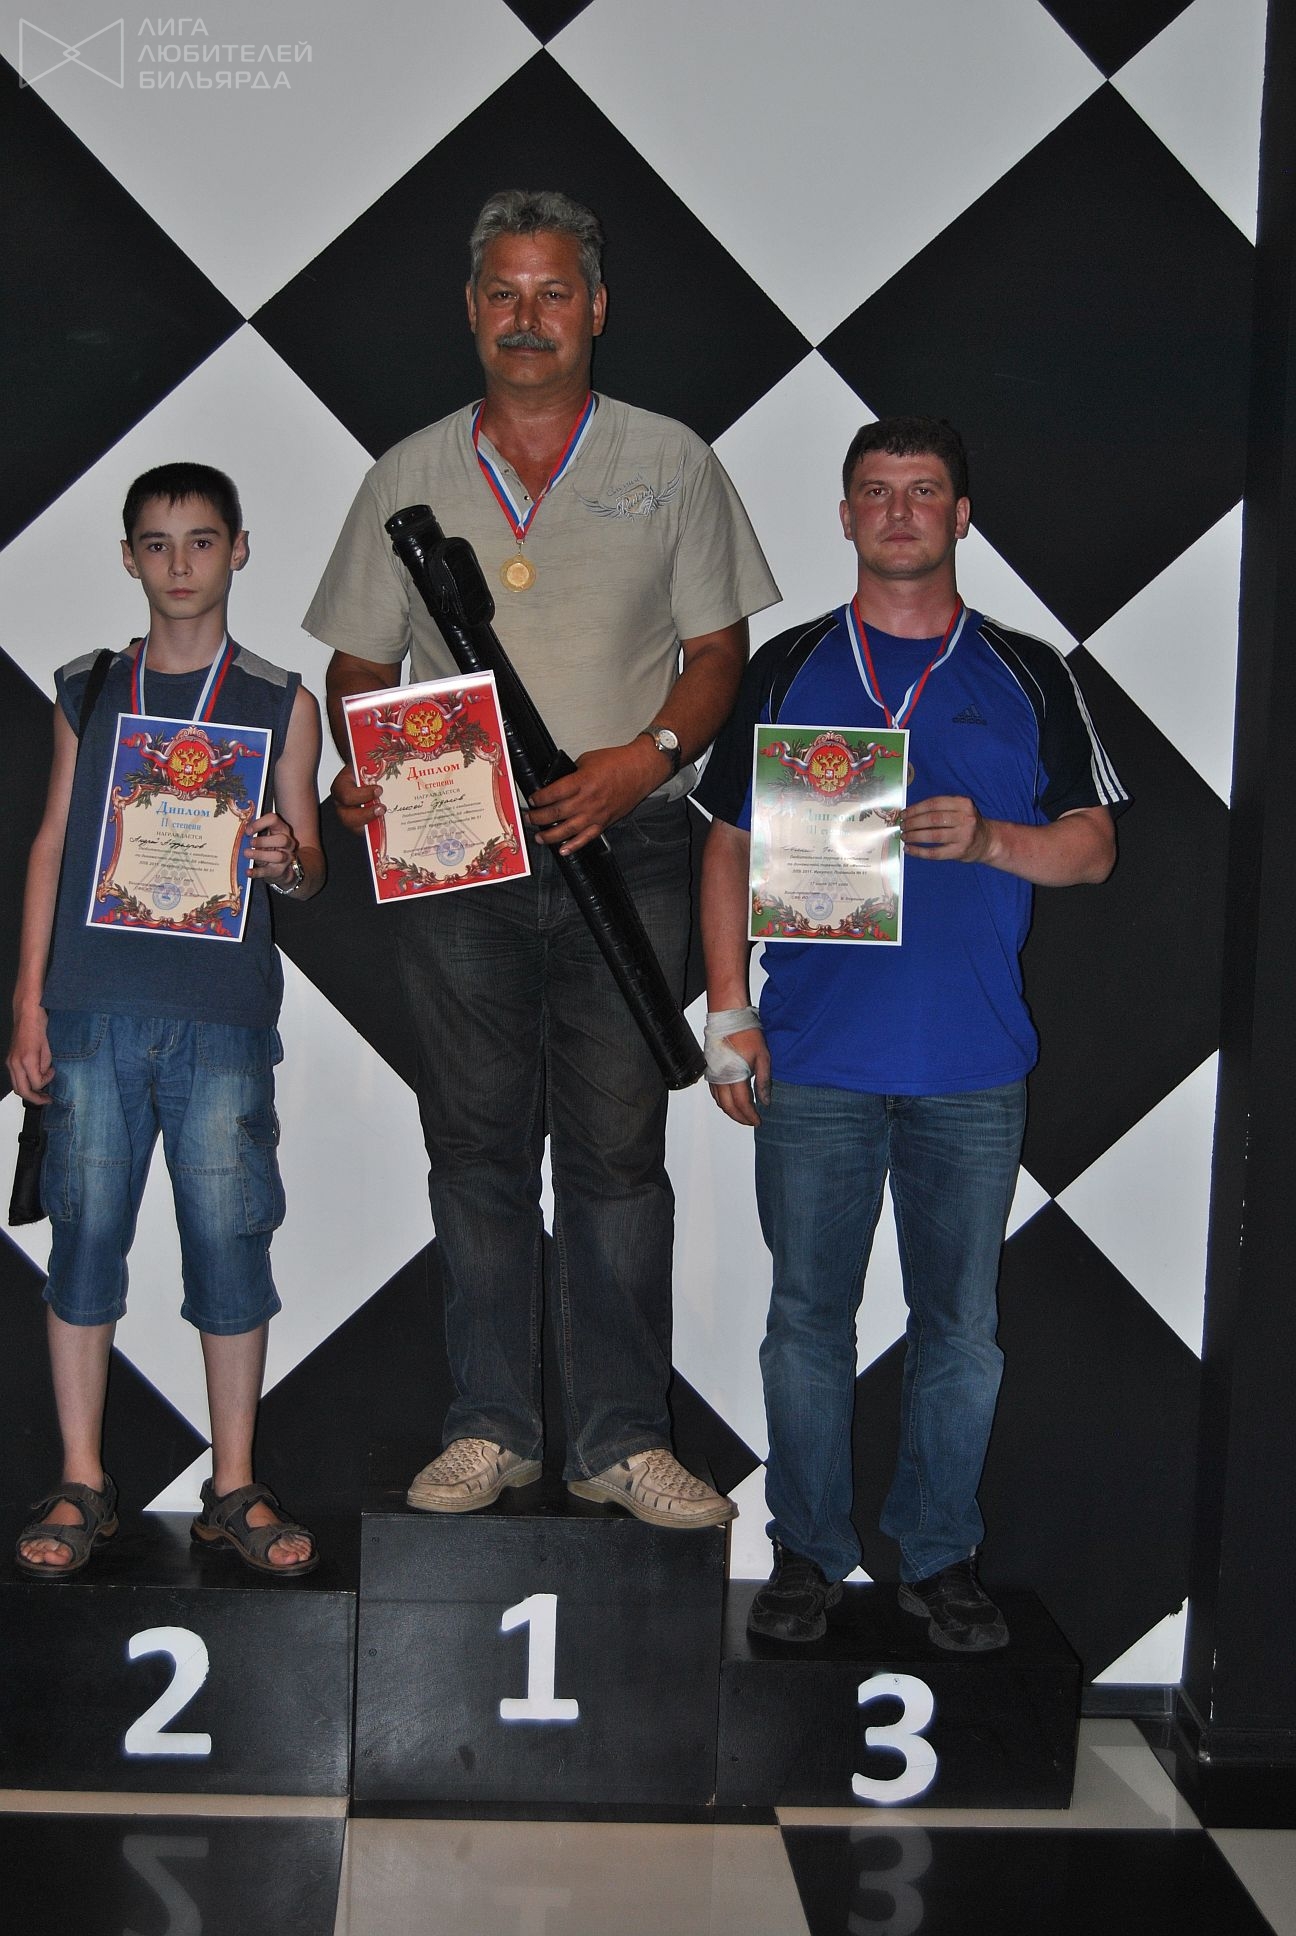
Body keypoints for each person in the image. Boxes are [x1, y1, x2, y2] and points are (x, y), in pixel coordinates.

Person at [305, 189, 778, 1527]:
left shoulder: (671, 459)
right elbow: (357, 662)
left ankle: (622, 1441)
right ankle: (491, 1430)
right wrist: (368, 761)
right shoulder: (405, 473)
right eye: (503, 293)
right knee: (475, 1149)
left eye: (552, 292)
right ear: (471, 310)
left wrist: (647, 757)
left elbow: (718, 653)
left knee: (620, 1158)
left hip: (631, 847)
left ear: (596, 308)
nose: (527, 317)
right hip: (458, 858)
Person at [699, 417, 1126, 1645]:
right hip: (814, 1058)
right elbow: (725, 845)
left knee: (962, 1334)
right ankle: (806, 1553)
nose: (898, 510)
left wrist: (991, 838)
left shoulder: (1029, 670)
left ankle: (940, 1557)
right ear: (845, 516)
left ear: (960, 516)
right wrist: (728, 1010)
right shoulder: (787, 666)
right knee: (805, 1324)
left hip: (972, 1067)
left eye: (923, 490)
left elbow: (1094, 848)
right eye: (876, 491)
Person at [9, 462, 325, 1578]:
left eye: (200, 541)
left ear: (238, 549)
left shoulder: (284, 699)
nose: (179, 563)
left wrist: (284, 859)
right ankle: (82, 1478)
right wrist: (28, 1002)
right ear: (129, 557)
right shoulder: (90, 686)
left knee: (231, 1240)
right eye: (157, 543)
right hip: (91, 1011)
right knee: (85, 1236)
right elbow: (53, 844)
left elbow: (308, 864)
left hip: (223, 1017)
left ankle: (232, 1486)